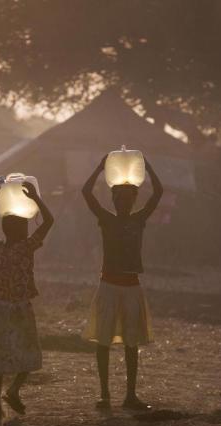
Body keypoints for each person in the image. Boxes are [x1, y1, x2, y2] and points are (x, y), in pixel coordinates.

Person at [81, 155, 162, 410]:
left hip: (130, 286)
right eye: (118, 198)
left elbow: (158, 191)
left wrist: (147, 166)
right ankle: (105, 395)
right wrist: (99, 165)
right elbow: (86, 191)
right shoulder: (107, 219)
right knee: (104, 342)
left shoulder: (139, 219)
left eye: (127, 199)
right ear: (113, 200)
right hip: (109, 285)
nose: (122, 203)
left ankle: (130, 395)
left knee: (131, 342)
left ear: (134, 200)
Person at [0, 181, 54, 419]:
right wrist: (35, 198)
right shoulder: (26, 247)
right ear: (21, 231)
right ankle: (13, 390)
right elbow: (49, 221)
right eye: (24, 226)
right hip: (20, 307)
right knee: (29, 353)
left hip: (0, 307)